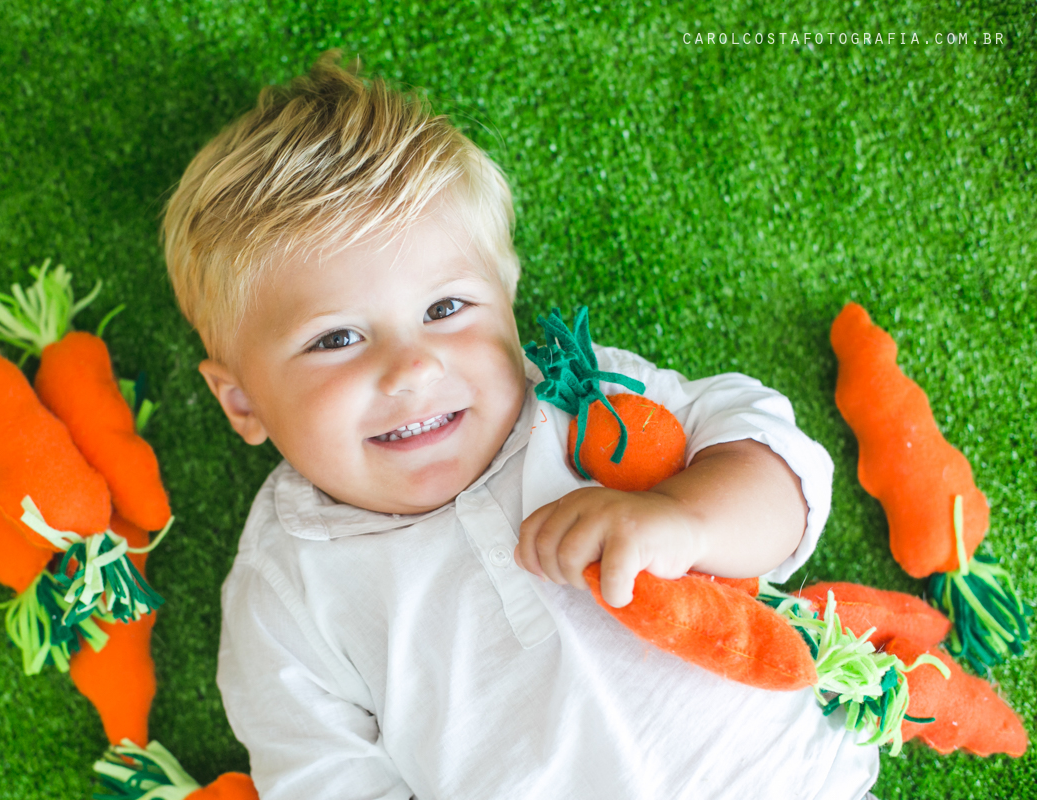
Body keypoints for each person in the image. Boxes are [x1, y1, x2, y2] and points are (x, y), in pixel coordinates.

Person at [161, 49, 880, 800]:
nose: (412, 369)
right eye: (336, 338)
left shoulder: (584, 398)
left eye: (445, 309)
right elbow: (319, 777)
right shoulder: (286, 589)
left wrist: (684, 520)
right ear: (241, 401)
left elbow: (782, 466)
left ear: (507, 295)